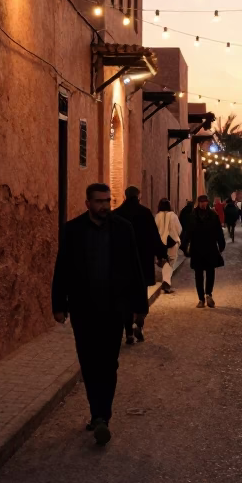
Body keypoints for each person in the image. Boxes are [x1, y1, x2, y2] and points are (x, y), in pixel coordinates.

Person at [52, 183, 147, 445]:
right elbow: (62, 268)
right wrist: (58, 305)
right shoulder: (73, 230)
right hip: (83, 309)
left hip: (113, 308)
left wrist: (140, 307)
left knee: (108, 363)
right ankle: (98, 414)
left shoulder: (123, 229)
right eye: (99, 201)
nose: (104, 206)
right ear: (88, 203)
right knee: (88, 363)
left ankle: (101, 415)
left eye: (107, 201)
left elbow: (135, 267)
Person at [113, 186, 169, 344]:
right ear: (139, 196)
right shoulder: (145, 213)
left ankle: (129, 333)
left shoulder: (116, 214)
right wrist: (161, 255)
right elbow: (154, 236)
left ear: (124, 196)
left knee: (125, 298)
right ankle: (139, 324)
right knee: (141, 296)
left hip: (122, 263)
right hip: (142, 262)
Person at [183, 193, 226, 307]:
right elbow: (188, 232)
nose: (203, 204)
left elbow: (218, 231)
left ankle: (208, 294)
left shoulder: (213, 215)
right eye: (201, 202)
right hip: (197, 248)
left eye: (204, 202)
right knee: (198, 274)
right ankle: (201, 298)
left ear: (207, 202)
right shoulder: (193, 215)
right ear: (199, 203)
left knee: (210, 272)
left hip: (210, 247)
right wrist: (185, 246)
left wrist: (221, 244)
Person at [154, 197, 182, 294]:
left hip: (160, 243)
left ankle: (166, 282)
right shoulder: (173, 216)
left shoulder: (157, 216)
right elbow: (179, 229)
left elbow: (154, 229)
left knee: (165, 261)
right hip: (172, 242)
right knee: (170, 262)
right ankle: (166, 282)